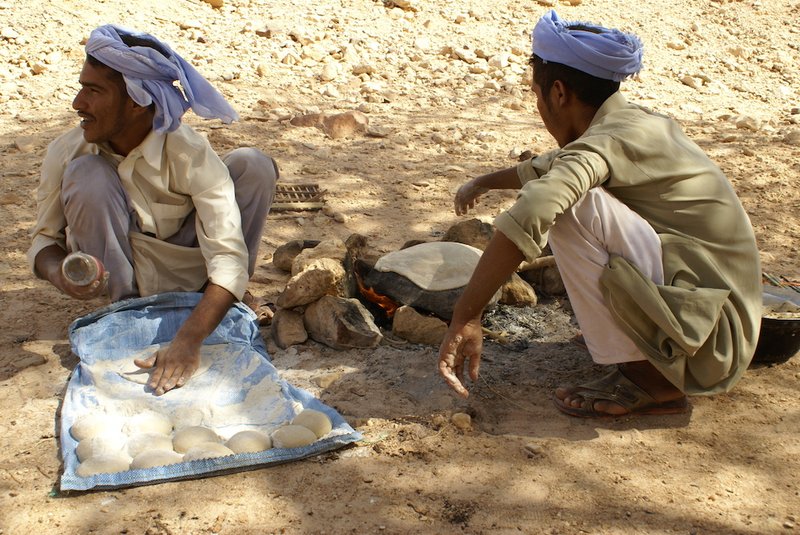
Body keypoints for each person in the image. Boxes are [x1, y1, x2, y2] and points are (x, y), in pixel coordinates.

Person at [438, 10, 762, 417]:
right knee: (570, 191)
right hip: (725, 316)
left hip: (714, 342)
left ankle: (655, 381)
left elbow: (539, 202)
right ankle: (638, 345)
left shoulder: (607, 142)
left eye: (536, 95)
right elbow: (551, 164)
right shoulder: (635, 124)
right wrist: (483, 182)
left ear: (559, 93)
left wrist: (466, 316)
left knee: (572, 206)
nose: (538, 106)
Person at [28, 25, 278, 396]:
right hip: (123, 275)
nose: (78, 103)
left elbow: (227, 256)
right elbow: (43, 243)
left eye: (93, 91)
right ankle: (126, 314)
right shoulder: (69, 153)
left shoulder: (187, 152)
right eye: (82, 87)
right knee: (87, 174)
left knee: (254, 165)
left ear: (136, 101)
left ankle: (219, 302)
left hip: (194, 272)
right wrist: (59, 273)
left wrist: (188, 342)